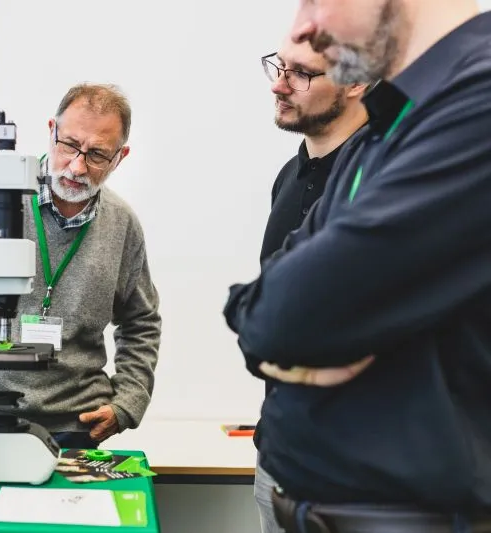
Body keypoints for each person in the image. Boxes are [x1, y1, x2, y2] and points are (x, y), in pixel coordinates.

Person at [225, 0, 491, 530]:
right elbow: (257, 314)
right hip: (308, 493)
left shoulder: (474, 105)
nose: (304, 27)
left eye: (315, 1)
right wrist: (285, 328)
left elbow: (286, 316)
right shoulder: (389, 125)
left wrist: (288, 326)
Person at [0, 83, 161, 450]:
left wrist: (127, 403)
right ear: (51, 130)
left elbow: (141, 322)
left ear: (121, 157)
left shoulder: (122, 225)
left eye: (98, 154)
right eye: (69, 145)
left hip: (76, 424)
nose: (77, 165)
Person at [254, 36, 368, 533]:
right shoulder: (288, 177)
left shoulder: (387, 180)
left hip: (356, 472)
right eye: (279, 67)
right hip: (280, 454)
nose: (279, 84)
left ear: (356, 82)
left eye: (301, 73)